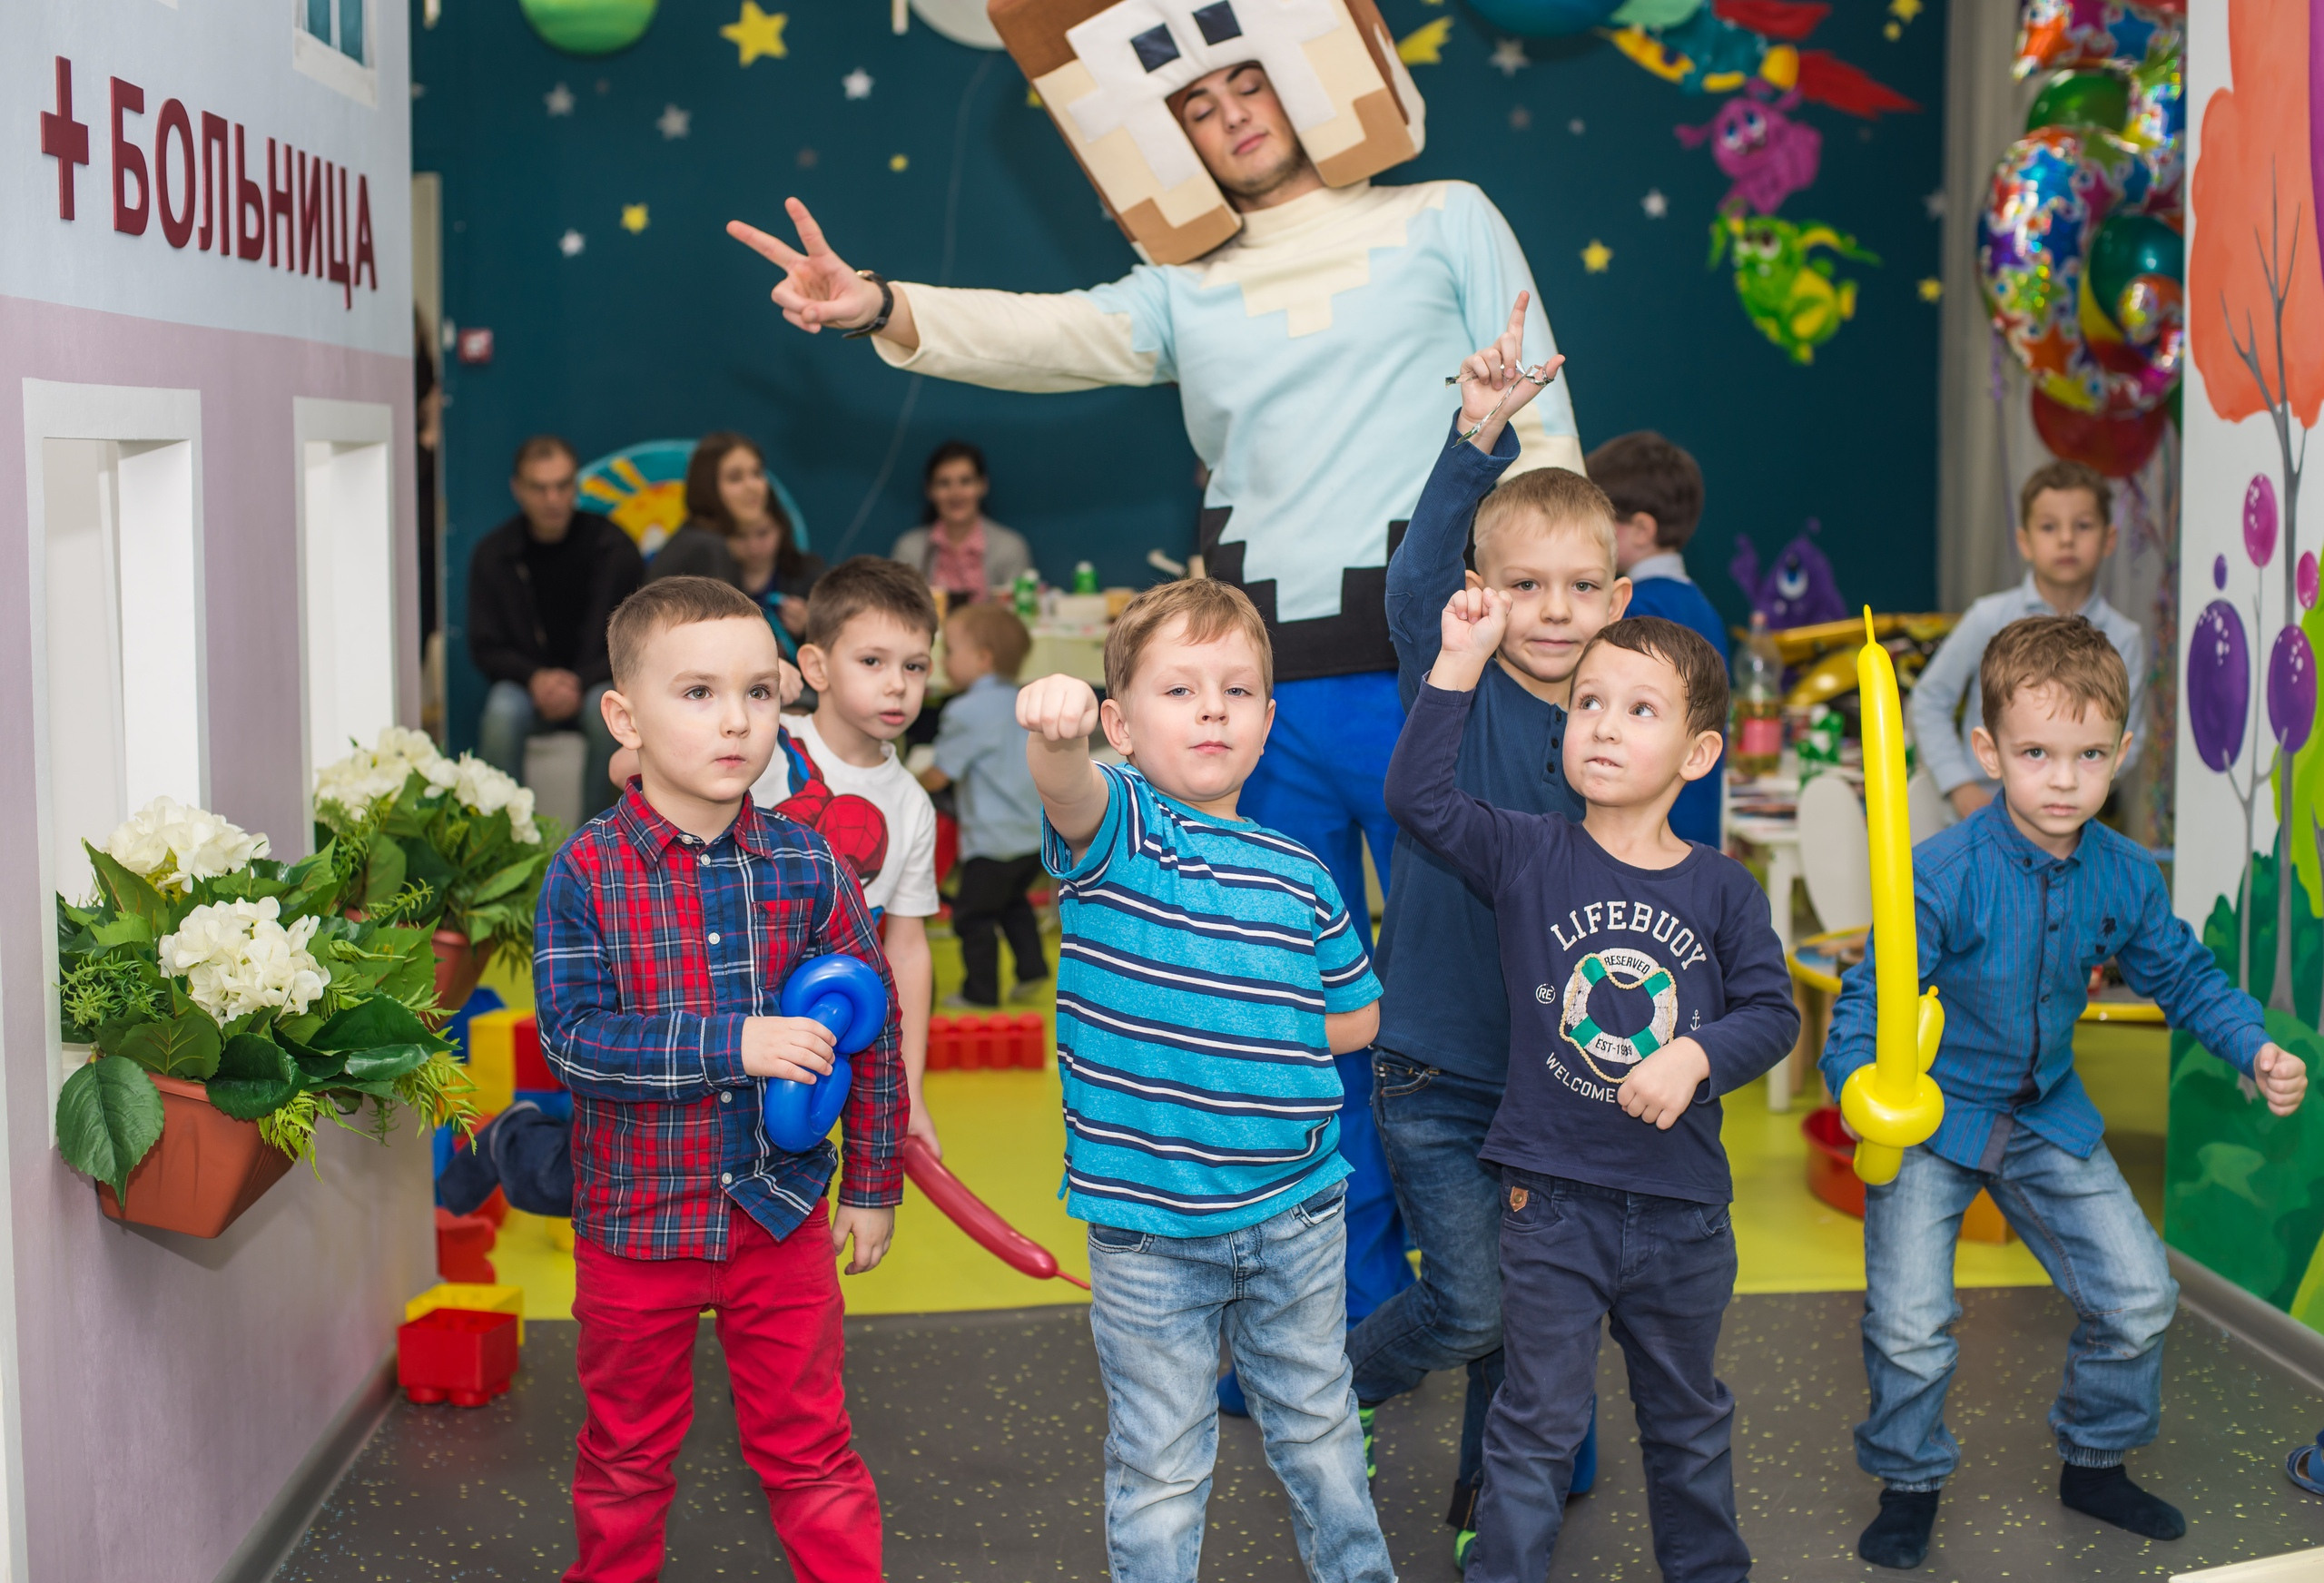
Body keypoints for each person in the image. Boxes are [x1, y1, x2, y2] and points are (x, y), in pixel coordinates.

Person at [732, 49, 1581, 1359]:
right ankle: (1329, 1350)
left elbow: (1545, 420)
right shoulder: (1183, 290)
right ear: (1167, 139)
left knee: (1473, 1026)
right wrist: (877, 306)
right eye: (1196, 104)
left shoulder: (1444, 215)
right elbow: (1042, 332)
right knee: (1280, 1028)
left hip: (1438, 687)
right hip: (1253, 715)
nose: (1231, 116)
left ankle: (1524, 1386)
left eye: (1248, 86)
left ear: (1308, 84)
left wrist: (1557, 630)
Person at [1823, 615, 2309, 1570]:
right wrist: (1860, 1088)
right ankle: (1908, 1478)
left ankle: (2094, 1461)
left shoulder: (2120, 873)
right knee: (1910, 1325)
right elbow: (1864, 1007)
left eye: (2087, 755)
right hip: (1931, 1115)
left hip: (2046, 1113)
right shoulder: (1941, 875)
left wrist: (2250, 1046)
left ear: (2120, 754)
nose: (2060, 778)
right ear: (1986, 749)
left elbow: (2184, 977)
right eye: (2035, 752)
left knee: (2139, 1297)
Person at [1387, 605, 1798, 1583]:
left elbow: (1773, 1014)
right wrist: (1456, 661)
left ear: (1698, 753)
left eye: (1638, 709)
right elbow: (1418, 799)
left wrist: (1693, 1056)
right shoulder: (1529, 853)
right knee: (1532, 1426)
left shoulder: (1723, 890)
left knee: (1688, 1425)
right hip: (1550, 1203)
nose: (1604, 725)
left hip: (1683, 1215)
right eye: (1588, 703)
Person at [1016, 576, 1393, 1583]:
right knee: (1161, 1462)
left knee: (1320, 1434)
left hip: (1299, 1214)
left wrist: (1262, 1020)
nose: (1213, 708)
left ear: (1269, 721)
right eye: (1178, 690)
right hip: (1148, 1233)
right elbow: (1065, 784)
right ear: (1120, 723)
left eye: (1235, 690)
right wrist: (1053, 739)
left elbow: (1355, 1015)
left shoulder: (1300, 869)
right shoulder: (1120, 832)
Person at [534, 575, 904, 1583]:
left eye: (757, 692)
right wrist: (729, 1043)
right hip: (634, 1224)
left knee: (811, 1449)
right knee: (624, 1455)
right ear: (626, 715)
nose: (735, 720)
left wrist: (871, 1186)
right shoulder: (583, 874)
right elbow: (571, 1040)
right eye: (697, 693)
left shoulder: (808, 864)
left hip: (775, 1217)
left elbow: (872, 1033)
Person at [1347, 302, 1618, 1565]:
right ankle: (1334, 1389)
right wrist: (1477, 440)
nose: (1552, 612)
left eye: (1579, 589)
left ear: (1617, 598)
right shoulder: (1446, 683)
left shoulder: (1621, 726)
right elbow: (1411, 584)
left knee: (1521, 1328)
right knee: (1468, 1306)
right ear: (1482, 595)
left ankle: (1477, 1515)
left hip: (1558, 1086)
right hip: (1436, 1070)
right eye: (1524, 587)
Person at [750, 557, 945, 1158]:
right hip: (718, 1008)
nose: (896, 684)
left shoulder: (914, 805)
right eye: (872, 661)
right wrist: (751, 686)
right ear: (815, 667)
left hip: (816, 1032)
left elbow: (907, 949)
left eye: (913, 667)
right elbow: (631, 770)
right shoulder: (763, 736)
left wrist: (910, 1087)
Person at [1909, 460, 2146, 821]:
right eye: (2049, 527)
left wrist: (2072, 794)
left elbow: (2130, 735)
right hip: (1982, 814)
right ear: (2025, 541)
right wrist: (1958, 785)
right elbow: (1928, 699)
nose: (2066, 539)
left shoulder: (2126, 637)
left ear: (2108, 539)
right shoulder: (1987, 618)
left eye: (2082, 525)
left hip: (2071, 820)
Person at [468, 435, 644, 820]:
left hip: (596, 681)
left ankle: (598, 843)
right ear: (518, 489)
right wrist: (535, 679)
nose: (552, 498)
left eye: (562, 485)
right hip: (526, 686)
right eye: (539, 487)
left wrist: (577, 681)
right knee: (501, 713)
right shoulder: (494, 554)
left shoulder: (613, 547)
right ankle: (502, 848)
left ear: (575, 486)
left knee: (609, 714)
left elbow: (637, 640)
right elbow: (484, 646)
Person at [1589, 431, 1728, 848]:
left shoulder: (1634, 612)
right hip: (1693, 826)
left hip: (1647, 837)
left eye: (1600, 518)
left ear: (1641, 530)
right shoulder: (1702, 606)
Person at [920, 601, 1048, 1009]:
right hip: (1031, 837)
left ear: (982, 659)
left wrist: (904, 786)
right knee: (1011, 902)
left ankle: (981, 992)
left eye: (949, 652)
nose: (943, 661)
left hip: (992, 841)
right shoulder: (1024, 701)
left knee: (972, 916)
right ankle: (1032, 969)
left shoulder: (965, 710)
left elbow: (941, 775)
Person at [655, 434, 826, 653]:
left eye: (757, 473)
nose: (753, 487)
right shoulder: (706, 547)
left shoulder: (698, 539)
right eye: (735, 478)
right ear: (708, 488)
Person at [890, 442, 1033, 606]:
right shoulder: (909, 549)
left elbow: (1017, 619)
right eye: (944, 483)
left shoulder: (1010, 548)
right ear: (929, 490)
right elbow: (900, 612)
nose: (955, 493)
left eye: (965, 481)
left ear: (982, 485)